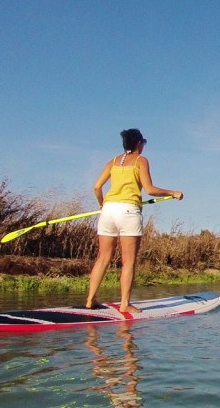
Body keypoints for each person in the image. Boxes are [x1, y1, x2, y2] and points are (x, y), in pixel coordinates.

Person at [85, 128, 183, 313]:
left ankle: (90, 300)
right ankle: (124, 304)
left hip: (108, 210)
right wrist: (173, 193)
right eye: (143, 143)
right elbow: (150, 189)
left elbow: (97, 187)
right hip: (128, 211)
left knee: (103, 258)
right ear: (139, 144)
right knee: (128, 261)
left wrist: (101, 205)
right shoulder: (141, 160)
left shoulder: (113, 161)